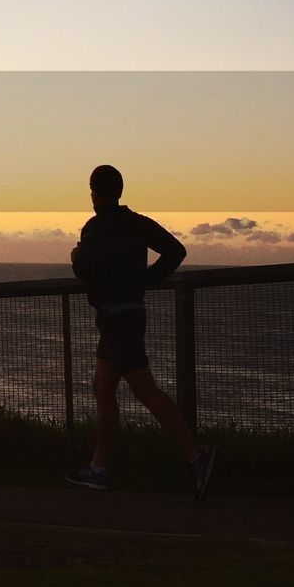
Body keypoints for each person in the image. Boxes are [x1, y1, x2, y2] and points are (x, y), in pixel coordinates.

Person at [67, 164, 216, 500]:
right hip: (128, 315)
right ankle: (99, 467)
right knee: (103, 388)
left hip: (115, 318)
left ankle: (196, 456)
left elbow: (87, 272)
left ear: (94, 191)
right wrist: (148, 279)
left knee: (146, 391)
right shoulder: (137, 223)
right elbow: (176, 251)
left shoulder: (94, 228)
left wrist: (76, 257)